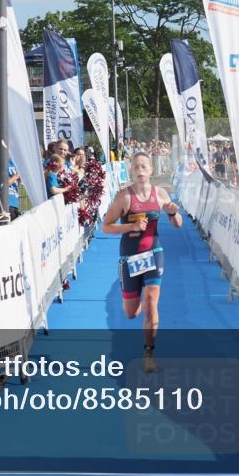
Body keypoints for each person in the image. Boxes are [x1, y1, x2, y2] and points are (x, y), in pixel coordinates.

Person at [101, 152, 182, 373]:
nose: (140, 171)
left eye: (144, 166)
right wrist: (130, 227)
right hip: (130, 258)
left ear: (151, 170)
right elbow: (106, 226)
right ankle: (130, 297)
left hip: (154, 254)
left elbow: (177, 224)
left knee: (151, 303)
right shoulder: (124, 197)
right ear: (131, 171)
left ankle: (149, 352)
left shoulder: (161, 194)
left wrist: (174, 214)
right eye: (136, 167)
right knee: (131, 312)